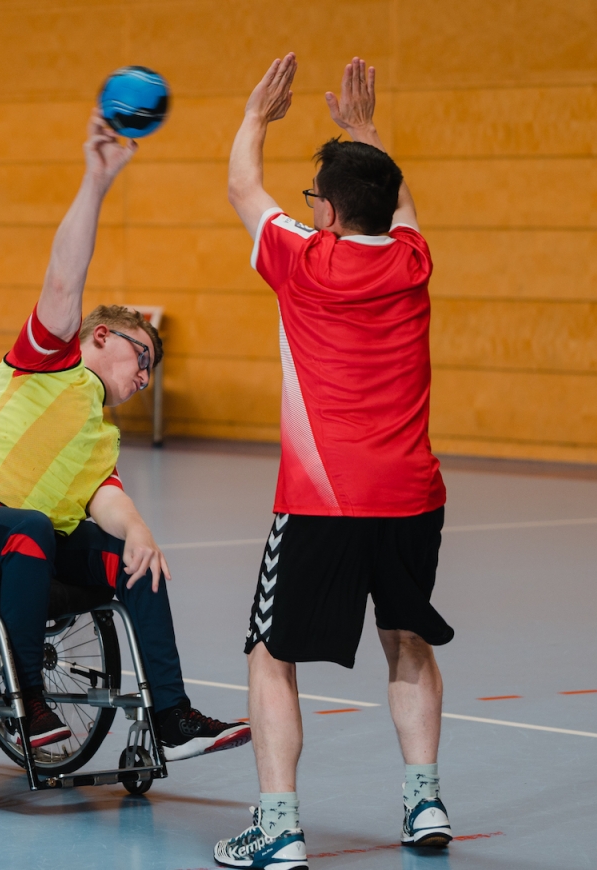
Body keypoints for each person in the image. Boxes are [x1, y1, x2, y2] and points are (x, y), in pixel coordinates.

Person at [0, 109, 249, 762]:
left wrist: (141, 532)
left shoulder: (97, 437)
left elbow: (106, 500)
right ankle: (28, 703)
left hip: (18, 540)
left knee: (131, 561)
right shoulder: (48, 357)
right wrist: (96, 184)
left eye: (153, 369)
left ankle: (170, 716)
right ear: (100, 337)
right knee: (31, 526)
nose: (145, 375)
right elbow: (65, 274)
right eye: (141, 356)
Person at [212, 55, 455, 869]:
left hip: (323, 500)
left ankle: (277, 826)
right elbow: (401, 207)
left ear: (332, 215)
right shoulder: (412, 263)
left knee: (269, 653)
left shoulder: (304, 261)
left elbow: (244, 186)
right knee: (407, 639)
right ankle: (425, 804)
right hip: (413, 496)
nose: (308, 205)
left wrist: (255, 115)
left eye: (317, 197)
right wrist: (365, 136)